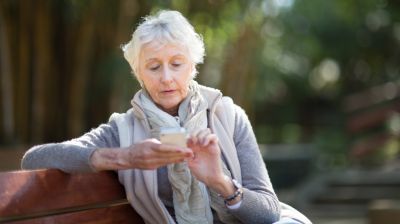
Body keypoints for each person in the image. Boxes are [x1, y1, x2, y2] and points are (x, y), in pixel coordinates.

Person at [21, 10, 310, 224]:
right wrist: (124, 157)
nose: (167, 78)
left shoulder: (227, 116)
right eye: (154, 67)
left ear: (192, 65)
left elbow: (268, 212)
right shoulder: (123, 130)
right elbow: (34, 158)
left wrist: (219, 180)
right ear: (139, 73)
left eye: (176, 64)